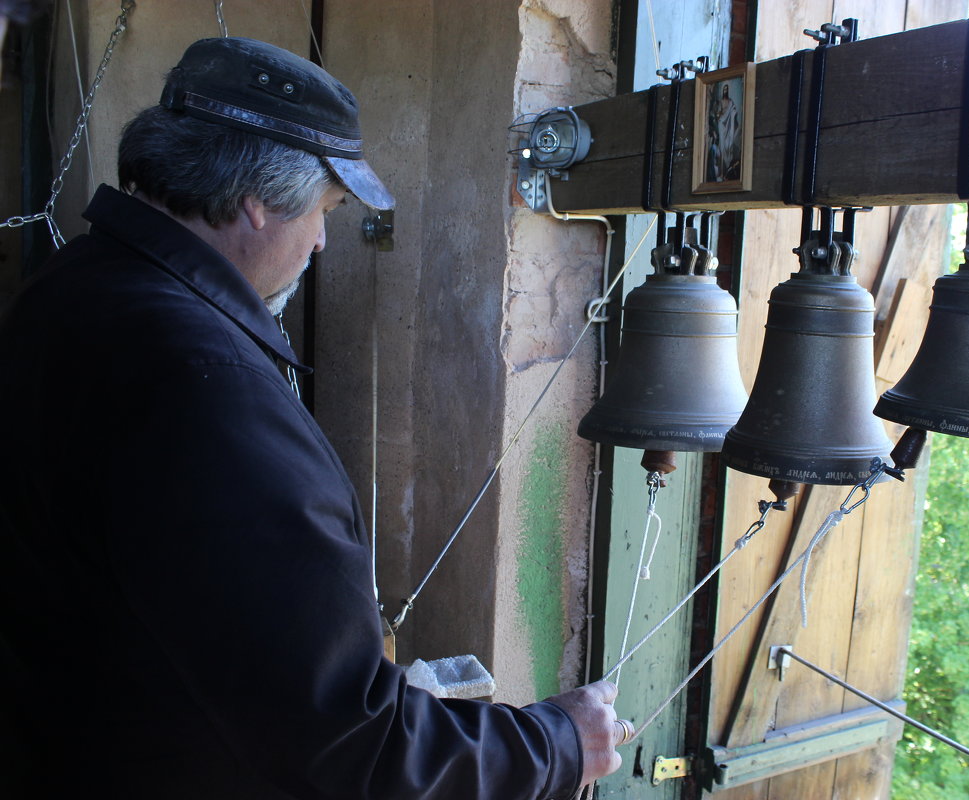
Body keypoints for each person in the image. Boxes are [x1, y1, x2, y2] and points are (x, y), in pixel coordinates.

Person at [0, 36, 626, 799]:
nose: (324, 240)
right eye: (326, 210)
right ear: (258, 203)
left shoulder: (71, 287)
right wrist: (558, 743)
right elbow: (345, 744)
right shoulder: (206, 385)